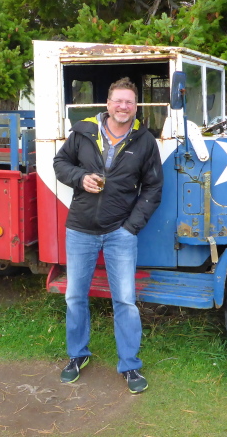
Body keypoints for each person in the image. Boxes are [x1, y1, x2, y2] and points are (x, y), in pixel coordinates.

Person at [53, 77, 164, 394]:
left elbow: (153, 188)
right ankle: (77, 355)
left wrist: (131, 227)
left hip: (120, 233)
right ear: (108, 104)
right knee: (75, 296)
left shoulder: (145, 141)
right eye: (118, 100)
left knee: (125, 301)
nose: (123, 106)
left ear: (136, 106)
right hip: (80, 229)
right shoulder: (84, 132)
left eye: (129, 102)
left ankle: (130, 365)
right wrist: (80, 177)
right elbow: (60, 163)